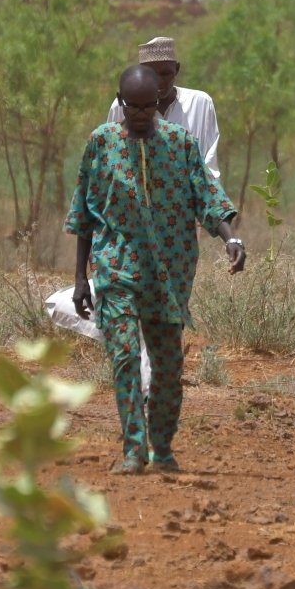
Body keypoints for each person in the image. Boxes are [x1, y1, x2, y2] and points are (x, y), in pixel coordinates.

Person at [64, 64, 246, 475]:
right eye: (135, 107)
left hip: (169, 272)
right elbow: (84, 212)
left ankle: (161, 447)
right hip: (116, 270)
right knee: (126, 357)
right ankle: (133, 449)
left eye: (151, 107)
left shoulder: (179, 144)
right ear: (121, 102)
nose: (144, 115)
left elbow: (207, 196)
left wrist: (231, 238)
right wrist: (80, 278)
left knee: (167, 367)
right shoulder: (101, 143)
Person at [45, 36, 222, 389]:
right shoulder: (121, 108)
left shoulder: (200, 104)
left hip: (179, 228)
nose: (160, 83)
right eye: (153, 75)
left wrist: (212, 217)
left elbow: (208, 168)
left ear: (177, 71)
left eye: (167, 75)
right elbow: (109, 170)